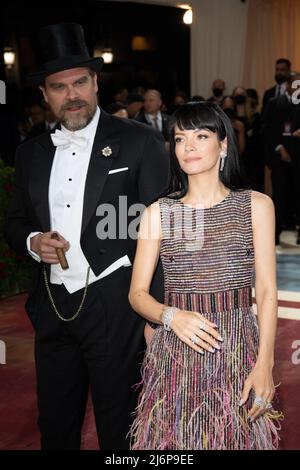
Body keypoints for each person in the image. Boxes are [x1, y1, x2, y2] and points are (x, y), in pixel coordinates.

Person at [4, 23, 170, 450]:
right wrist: (32, 242)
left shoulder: (142, 143)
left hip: (116, 306)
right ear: (44, 94)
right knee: (55, 426)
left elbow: (162, 233)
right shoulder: (30, 154)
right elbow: (16, 219)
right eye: (59, 87)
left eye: (80, 82)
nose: (71, 94)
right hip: (52, 307)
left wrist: (156, 315)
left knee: (120, 429)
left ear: (96, 83)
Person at [128, 101, 283, 450]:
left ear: (224, 143)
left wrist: (265, 366)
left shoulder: (256, 206)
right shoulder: (158, 212)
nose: (190, 147)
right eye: (180, 139)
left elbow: (268, 291)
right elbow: (137, 294)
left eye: (201, 135)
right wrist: (171, 317)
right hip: (176, 354)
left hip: (239, 348)